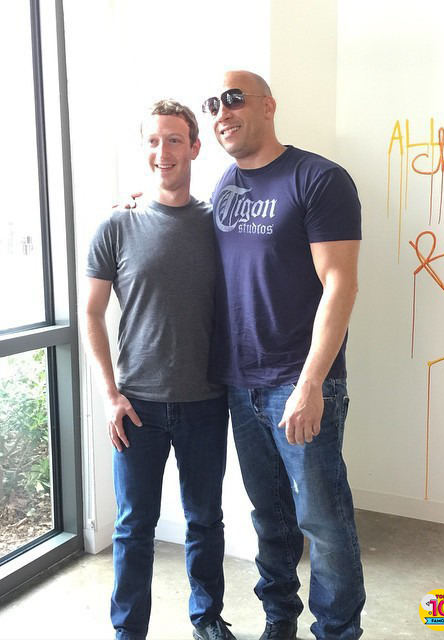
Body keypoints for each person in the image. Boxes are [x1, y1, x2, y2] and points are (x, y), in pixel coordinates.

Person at [203, 71, 366, 640]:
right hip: (239, 381)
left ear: (269, 106)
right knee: (269, 517)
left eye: (234, 99)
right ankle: (279, 621)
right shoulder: (225, 185)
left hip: (299, 382)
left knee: (323, 520)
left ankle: (337, 631)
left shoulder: (318, 178)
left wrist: (311, 384)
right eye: (213, 104)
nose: (221, 112)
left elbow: (341, 284)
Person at [83, 99, 235, 640]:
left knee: (205, 520)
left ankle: (207, 619)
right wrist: (110, 394)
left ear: (194, 147)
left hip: (206, 401)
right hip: (137, 406)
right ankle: (129, 631)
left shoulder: (219, 225)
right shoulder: (116, 225)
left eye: (173, 139)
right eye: (153, 141)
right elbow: (91, 313)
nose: (162, 151)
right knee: (133, 527)